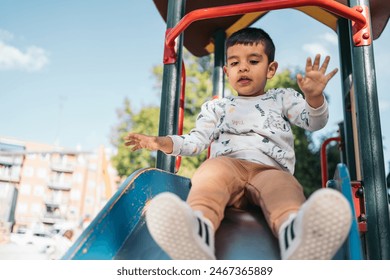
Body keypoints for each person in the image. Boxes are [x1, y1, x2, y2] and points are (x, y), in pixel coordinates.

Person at [124, 27, 352, 260]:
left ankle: (296, 235)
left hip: (270, 169)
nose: (242, 67)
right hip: (228, 165)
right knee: (210, 173)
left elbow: (313, 122)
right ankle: (197, 229)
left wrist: (313, 98)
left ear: (271, 69)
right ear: (226, 71)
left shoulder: (281, 98)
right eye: (234, 63)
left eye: (253, 61)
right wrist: (161, 142)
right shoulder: (217, 107)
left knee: (284, 187)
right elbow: (196, 141)